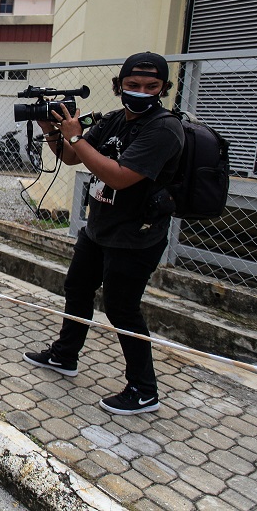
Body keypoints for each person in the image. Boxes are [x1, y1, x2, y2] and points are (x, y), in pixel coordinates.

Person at [23, 52, 185, 416]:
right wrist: (52, 130)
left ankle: (144, 390)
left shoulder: (163, 129)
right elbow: (72, 157)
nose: (140, 92)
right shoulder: (114, 120)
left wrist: (76, 137)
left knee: (122, 309)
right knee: (77, 289)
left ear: (163, 89)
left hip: (136, 235)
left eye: (151, 86)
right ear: (119, 86)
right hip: (99, 228)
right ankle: (65, 355)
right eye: (132, 85)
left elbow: (118, 176)